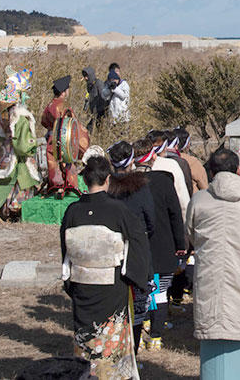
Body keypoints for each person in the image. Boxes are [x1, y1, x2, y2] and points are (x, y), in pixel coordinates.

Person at [60, 156, 150, 379]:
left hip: (82, 283)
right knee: (110, 336)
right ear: (107, 179)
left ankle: (85, 374)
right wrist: (136, 277)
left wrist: (69, 281)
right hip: (111, 285)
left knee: (86, 336)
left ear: (86, 180)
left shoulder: (73, 211)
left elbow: (66, 249)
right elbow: (139, 241)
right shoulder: (118, 210)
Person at [186, 148, 240, 380]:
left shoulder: (199, 200)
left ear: (211, 171)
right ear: (238, 169)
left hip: (211, 277)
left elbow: (191, 235)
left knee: (215, 345)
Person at [131, 138, 186, 351]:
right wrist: (181, 243)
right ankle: (156, 336)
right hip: (163, 244)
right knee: (160, 292)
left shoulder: (127, 182)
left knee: (142, 291)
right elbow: (175, 214)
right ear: (153, 156)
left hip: (138, 247)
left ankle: (143, 324)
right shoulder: (164, 181)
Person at [106, 140, 157, 356]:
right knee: (137, 309)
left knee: (114, 308)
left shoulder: (106, 187)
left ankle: (113, 350)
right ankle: (132, 354)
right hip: (137, 252)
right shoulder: (141, 186)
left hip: (111, 253)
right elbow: (151, 221)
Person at [0, 68, 41, 216]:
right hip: (18, 157)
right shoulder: (21, 117)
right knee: (22, 180)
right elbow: (23, 146)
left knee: (4, 182)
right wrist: (31, 147)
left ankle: (1, 210)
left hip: (5, 154)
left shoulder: (1, 116)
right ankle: (16, 211)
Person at [41, 75, 90, 197]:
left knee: (54, 168)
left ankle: (56, 188)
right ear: (64, 91)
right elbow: (72, 125)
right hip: (64, 141)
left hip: (51, 140)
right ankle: (69, 189)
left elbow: (43, 121)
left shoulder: (50, 105)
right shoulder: (63, 107)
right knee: (67, 166)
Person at [146, 130, 191, 218]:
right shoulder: (171, 165)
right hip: (167, 216)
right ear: (164, 147)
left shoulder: (136, 166)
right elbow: (183, 197)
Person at [175, 127, 208, 192]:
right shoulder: (192, 162)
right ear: (186, 144)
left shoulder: (164, 159)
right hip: (192, 198)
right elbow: (203, 184)